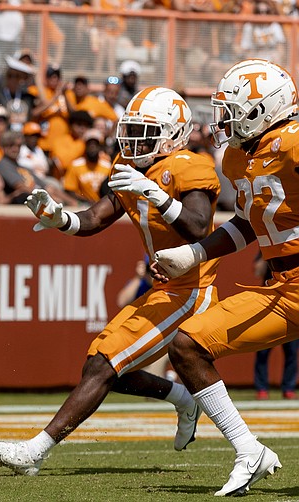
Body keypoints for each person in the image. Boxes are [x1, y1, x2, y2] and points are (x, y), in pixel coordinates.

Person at [0, 86, 219, 477]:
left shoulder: (190, 166)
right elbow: (96, 218)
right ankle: (183, 398)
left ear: (175, 134)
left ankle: (34, 452)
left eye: (146, 133)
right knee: (103, 367)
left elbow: (196, 225)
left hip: (191, 288)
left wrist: (156, 195)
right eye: (132, 131)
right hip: (164, 288)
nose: (134, 141)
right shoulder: (129, 165)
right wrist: (62, 219)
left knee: (103, 366)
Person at [152, 59, 299, 496]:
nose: (223, 120)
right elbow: (249, 223)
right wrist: (193, 252)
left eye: (232, 109)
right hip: (283, 288)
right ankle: (248, 450)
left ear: (263, 109)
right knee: (188, 345)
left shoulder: (294, 143)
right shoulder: (239, 155)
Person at [252, 253, 298, 400]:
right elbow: (257, 271)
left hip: (289, 302)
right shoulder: (266, 247)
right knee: (263, 350)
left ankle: (288, 388)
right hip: (268, 303)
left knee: (291, 351)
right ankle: (262, 388)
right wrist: (268, 257)